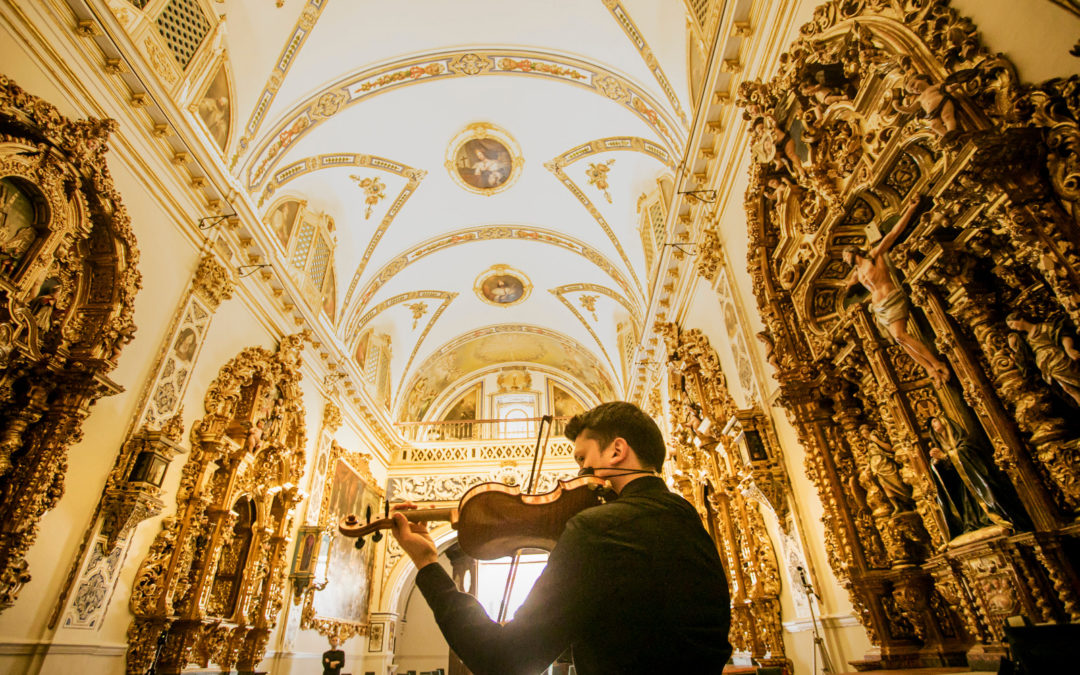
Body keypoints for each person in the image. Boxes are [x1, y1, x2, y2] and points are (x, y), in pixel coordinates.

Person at [390, 401, 732, 674]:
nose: (578, 473)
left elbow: (501, 661)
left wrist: (427, 563)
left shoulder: (596, 529)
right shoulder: (690, 519)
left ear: (617, 451)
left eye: (583, 459)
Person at [843, 196, 951, 384]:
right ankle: (929, 368)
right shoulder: (856, 274)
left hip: (891, 298)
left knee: (901, 335)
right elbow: (845, 286)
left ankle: (936, 363)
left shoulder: (873, 256)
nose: (845, 259)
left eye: (845, 255)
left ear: (853, 252)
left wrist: (910, 209)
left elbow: (893, 233)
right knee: (900, 339)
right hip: (880, 309)